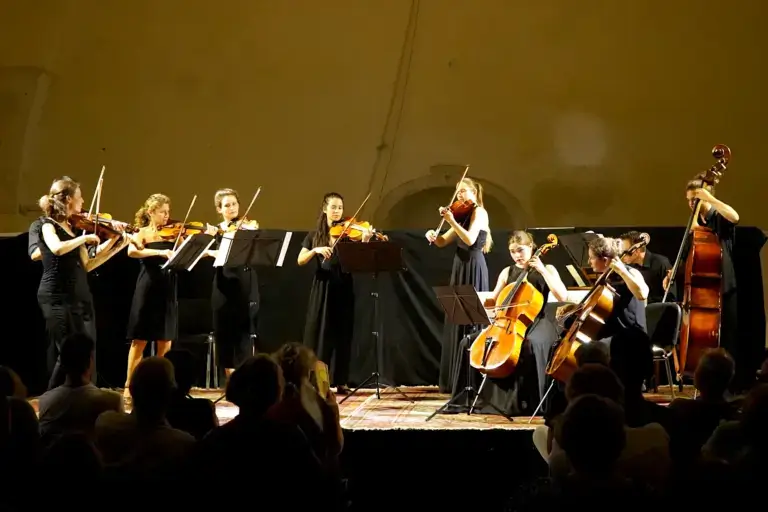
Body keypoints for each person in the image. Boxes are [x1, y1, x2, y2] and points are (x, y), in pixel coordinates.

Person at [458, 231, 569, 415]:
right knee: (468, 342)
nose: (517, 255)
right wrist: (480, 304)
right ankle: (472, 399)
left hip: (536, 320)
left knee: (530, 344)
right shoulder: (507, 272)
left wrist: (541, 269)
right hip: (507, 322)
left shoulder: (547, 268)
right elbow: (494, 298)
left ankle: (528, 403)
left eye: (520, 250)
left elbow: (562, 296)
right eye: (512, 251)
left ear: (531, 247)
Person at [37, 177, 129, 390]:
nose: (83, 201)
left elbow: (87, 265)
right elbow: (57, 248)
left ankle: (76, 396)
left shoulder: (73, 228)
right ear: (68, 199)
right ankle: (51, 398)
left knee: (81, 351)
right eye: (79, 197)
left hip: (77, 295)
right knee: (67, 352)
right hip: (55, 295)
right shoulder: (46, 225)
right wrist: (84, 240)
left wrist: (115, 244)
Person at [124, 194, 214, 401]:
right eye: (163, 212)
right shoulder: (142, 233)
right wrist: (160, 253)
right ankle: (130, 385)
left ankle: (160, 385)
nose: (167, 216)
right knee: (140, 340)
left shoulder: (175, 235)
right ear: (151, 212)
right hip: (147, 287)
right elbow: (132, 252)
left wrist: (204, 239)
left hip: (167, 287)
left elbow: (189, 253)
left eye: (168, 212)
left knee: (165, 340)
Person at [664, 179, 741, 386]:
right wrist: (672, 272)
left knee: (726, 337)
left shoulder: (718, 216)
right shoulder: (695, 222)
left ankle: (728, 382)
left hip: (723, 284)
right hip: (702, 290)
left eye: (695, 199)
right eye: (689, 200)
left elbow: (735, 217)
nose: (691, 204)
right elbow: (688, 253)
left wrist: (710, 198)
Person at [297, 192, 374, 394]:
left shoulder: (349, 233)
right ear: (325, 209)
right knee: (321, 335)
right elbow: (300, 259)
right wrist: (315, 250)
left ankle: (341, 381)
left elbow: (360, 260)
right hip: (322, 287)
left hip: (343, 287)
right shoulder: (315, 235)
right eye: (333, 207)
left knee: (343, 334)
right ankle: (319, 381)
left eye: (340, 207)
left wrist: (365, 241)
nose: (337, 211)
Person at [424, 177, 493, 393]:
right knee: (458, 318)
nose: (459, 196)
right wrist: (433, 236)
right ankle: (458, 381)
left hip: (473, 266)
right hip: (460, 267)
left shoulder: (479, 212)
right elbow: (444, 241)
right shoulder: (462, 214)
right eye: (457, 192)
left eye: (463, 191)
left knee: (473, 320)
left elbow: (471, 240)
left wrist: (451, 220)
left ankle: (472, 379)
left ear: (473, 192)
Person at [206, 188, 260, 378]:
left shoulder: (248, 227)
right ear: (219, 209)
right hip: (224, 283)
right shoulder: (216, 230)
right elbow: (202, 253)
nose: (231, 208)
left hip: (245, 282)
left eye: (234, 204)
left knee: (245, 333)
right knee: (225, 332)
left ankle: (246, 378)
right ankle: (231, 381)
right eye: (226, 205)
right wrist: (213, 241)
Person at [619, 230, 673, 303]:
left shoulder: (661, 263)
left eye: (625, 252)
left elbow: (671, 298)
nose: (622, 256)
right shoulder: (630, 267)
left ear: (637, 251)